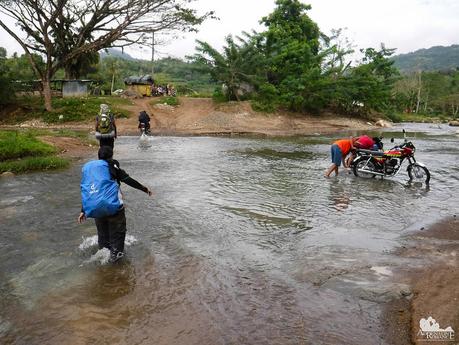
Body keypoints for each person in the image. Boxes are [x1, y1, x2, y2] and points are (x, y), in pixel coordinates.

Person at [78, 146, 152, 263]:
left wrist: (83, 210)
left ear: (99, 156)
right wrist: (144, 189)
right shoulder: (112, 165)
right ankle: (116, 269)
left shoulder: (91, 170)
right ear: (111, 156)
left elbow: (90, 190)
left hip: (96, 210)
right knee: (117, 243)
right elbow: (128, 180)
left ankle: (103, 272)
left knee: (103, 242)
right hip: (114, 210)